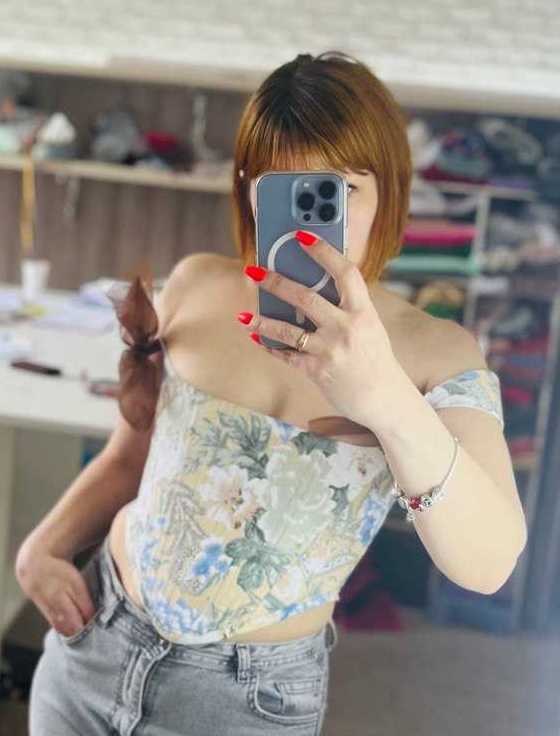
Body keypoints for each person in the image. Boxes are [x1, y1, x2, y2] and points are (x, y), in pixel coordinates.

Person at [17, 50, 527, 735]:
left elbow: (488, 564)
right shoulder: (196, 284)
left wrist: (386, 397)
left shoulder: (437, 353)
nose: (310, 224)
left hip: (246, 703)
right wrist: (42, 547)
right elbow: (132, 457)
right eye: (284, 188)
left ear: (388, 193)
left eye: (339, 190)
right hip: (95, 644)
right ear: (249, 189)